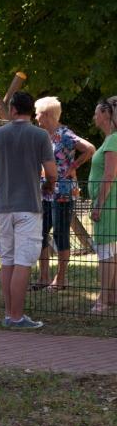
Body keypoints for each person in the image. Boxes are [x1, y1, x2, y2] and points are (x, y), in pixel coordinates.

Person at [0, 92, 57, 329]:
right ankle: (17, 317)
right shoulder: (40, 135)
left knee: (7, 260)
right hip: (29, 206)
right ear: (29, 111)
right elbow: (52, 172)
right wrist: (48, 185)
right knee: (23, 262)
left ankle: (9, 314)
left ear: (13, 109)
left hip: (4, 207)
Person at [33, 96, 95, 291]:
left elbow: (90, 149)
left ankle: (60, 279)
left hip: (63, 192)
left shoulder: (65, 134)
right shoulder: (44, 136)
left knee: (60, 234)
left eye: (37, 113)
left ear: (47, 114)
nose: (35, 117)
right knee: (40, 233)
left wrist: (74, 166)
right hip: (46, 191)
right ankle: (43, 277)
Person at [88, 97, 117, 314]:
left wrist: (98, 206)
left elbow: (109, 175)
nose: (94, 116)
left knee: (105, 251)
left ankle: (103, 299)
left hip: (107, 204)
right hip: (109, 202)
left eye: (97, 112)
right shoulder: (111, 139)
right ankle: (112, 295)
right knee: (111, 251)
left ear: (106, 115)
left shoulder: (113, 140)